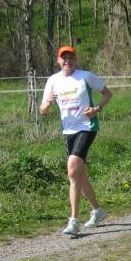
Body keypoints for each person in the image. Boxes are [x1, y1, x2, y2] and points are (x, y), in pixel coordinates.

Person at [40, 45, 113, 236]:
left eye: (70, 58)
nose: (67, 61)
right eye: (64, 58)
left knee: (72, 170)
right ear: (58, 61)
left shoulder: (85, 76)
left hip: (87, 127)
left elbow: (107, 94)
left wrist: (97, 109)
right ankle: (97, 211)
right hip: (68, 131)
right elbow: (42, 110)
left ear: (75, 59)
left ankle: (73, 221)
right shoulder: (53, 81)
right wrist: (47, 103)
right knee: (79, 175)